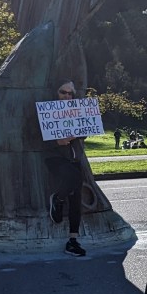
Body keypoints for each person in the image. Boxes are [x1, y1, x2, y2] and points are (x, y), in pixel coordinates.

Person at [45, 80, 89, 255]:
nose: (67, 96)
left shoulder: (76, 110)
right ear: (56, 93)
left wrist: (75, 134)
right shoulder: (47, 111)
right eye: (63, 92)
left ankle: (72, 240)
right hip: (55, 158)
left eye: (70, 93)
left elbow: (85, 131)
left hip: (74, 158)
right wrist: (57, 141)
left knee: (76, 198)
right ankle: (57, 198)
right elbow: (36, 135)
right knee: (75, 179)